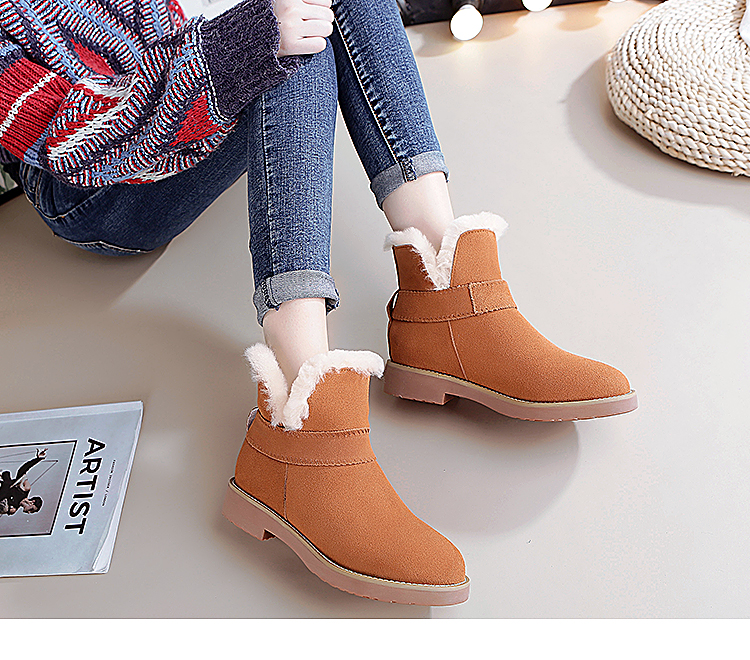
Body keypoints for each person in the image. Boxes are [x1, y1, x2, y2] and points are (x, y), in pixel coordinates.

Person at [0, 0, 636, 604]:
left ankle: (446, 287)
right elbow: (71, 140)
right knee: (286, 41)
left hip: (184, 90)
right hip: (100, 191)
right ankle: (299, 406)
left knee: (299, 19)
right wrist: (243, 43)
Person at [0, 449, 46, 515]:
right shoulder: (25, 489)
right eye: (31, 509)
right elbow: (22, 470)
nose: (29, 512)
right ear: (32, 502)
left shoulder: (12, 509)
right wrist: (37, 459)